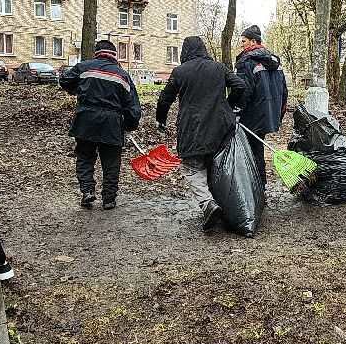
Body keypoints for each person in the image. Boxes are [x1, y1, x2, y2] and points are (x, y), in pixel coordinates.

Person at [156, 36, 246, 231]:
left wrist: (161, 120)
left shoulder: (180, 71)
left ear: (184, 52)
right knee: (217, 166)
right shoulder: (219, 68)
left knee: (194, 168)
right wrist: (227, 107)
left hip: (192, 129)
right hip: (220, 128)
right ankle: (227, 207)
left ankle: (208, 204)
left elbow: (164, 100)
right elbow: (240, 85)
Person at [60, 39, 142, 208]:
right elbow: (133, 106)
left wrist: (79, 91)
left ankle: (87, 191)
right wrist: (129, 125)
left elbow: (64, 80)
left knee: (85, 157)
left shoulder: (84, 67)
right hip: (111, 123)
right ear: (114, 56)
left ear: (96, 53)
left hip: (85, 120)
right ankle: (109, 199)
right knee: (111, 162)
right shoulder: (122, 75)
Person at [231, 24, 288, 190]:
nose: (241, 44)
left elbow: (243, 91)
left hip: (251, 115)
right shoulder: (275, 61)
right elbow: (284, 91)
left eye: (243, 41)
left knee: (251, 152)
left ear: (253, 41)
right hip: (268, 114)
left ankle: (256, 189)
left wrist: (236, 112)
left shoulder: (246, 62)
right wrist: (279, 114)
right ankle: (259, 188)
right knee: (257, 149)